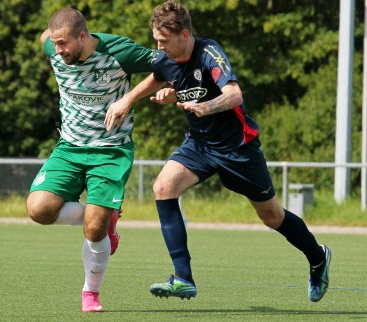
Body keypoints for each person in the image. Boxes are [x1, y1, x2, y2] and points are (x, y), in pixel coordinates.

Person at [104, 0, 331, 303]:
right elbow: (157, 75)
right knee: (163, 187)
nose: (158, 46)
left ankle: (318, 258)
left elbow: (234, 95)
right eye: (156, 39)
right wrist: (128, 100)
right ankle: (183, 277)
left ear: (184, 34)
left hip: (238, 149)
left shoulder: (209, 53)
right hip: (199, 145)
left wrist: (205, 106)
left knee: (271, 215)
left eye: (163, 40)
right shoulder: (164, 58)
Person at [26, 8, 156, 312]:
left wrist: (129, 98)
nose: (57, 51)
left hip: (111, 150)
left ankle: (90, 292)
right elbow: (45, 37)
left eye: (64, 44)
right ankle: (105, 214)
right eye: (55, 44)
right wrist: (52, 38)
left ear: (83, 36)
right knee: (38, 209)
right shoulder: (53, 46)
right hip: (69, 147)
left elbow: (168, 67)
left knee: (94, 231)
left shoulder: (120, 52)